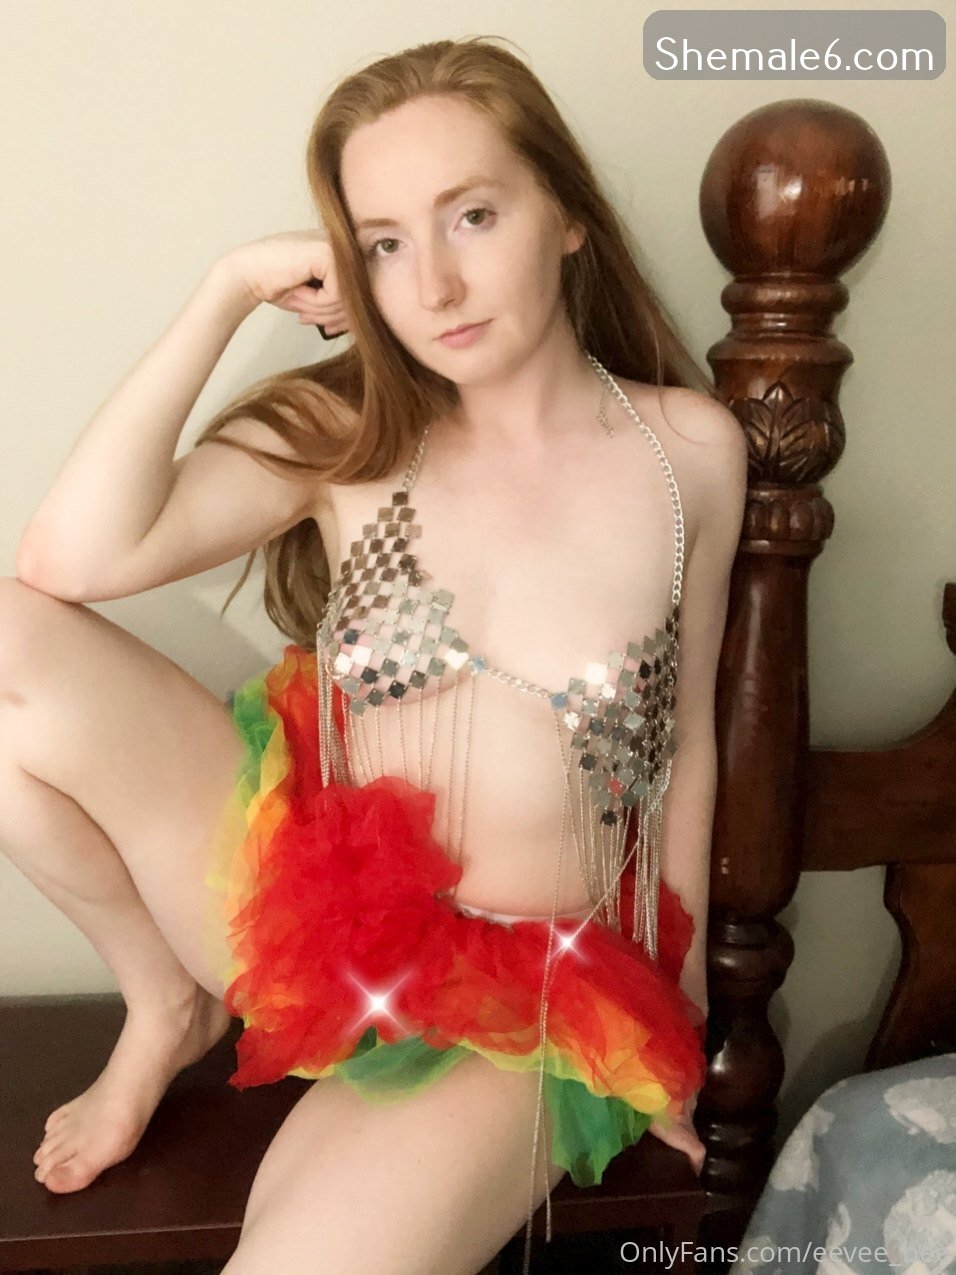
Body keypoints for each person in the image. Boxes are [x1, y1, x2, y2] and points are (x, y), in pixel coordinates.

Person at [6, 34, 747, 1275]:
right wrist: (227, 288)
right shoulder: (347, 430)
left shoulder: (692, 455)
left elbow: (687, 751)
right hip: (313, 917)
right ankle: (166, 1002)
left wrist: (671, 1022)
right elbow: (70, 560)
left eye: (472, 217)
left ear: (567, 216)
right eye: (385, 244)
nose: (435, 286)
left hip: (524, 1000)